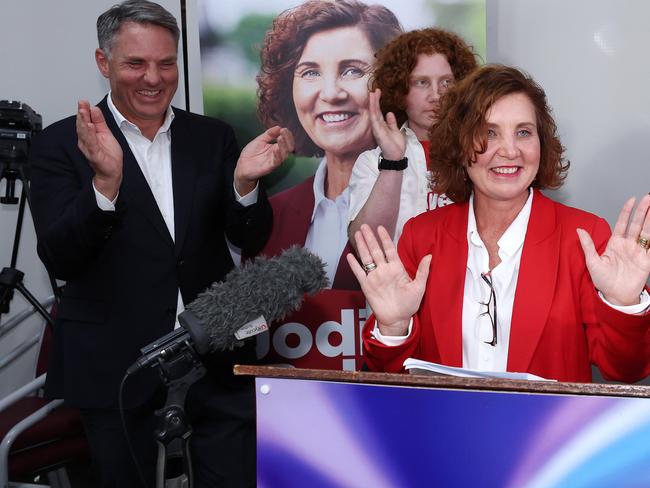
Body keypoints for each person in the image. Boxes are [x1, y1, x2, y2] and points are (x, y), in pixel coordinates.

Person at [28, 1, 293, 487]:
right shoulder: (59, 145)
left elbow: (250, 237)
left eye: (166, 63)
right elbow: (62, 256)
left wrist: (244, 186)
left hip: (215, 356)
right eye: (135, 63)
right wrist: (105, 186)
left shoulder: (213, 138)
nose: (154, 77)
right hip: (116, 369)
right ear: (103, 63)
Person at [348, 65, 650, 383]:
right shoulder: (421, 236)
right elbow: (386, 375)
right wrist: (394, 328)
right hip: (446, 430)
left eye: (523, 132)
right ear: (461, 146)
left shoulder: (584, 237)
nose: (509, 150)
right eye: (489, 132)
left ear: (541, 144)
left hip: (545, 433)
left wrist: (625, 305)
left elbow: (626, 370)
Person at [256, 0, 402, 289]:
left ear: (392, 84)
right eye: (310, 72)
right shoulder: (270, 218)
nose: (331, 93)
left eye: (353, 71)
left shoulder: (425, 207)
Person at [348, 28, 478, 243]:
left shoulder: (481, 152)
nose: (436, 95)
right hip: (400, 276)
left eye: (446, 82)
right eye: (422, 82)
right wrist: (392, 162)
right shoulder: (372, 162)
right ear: (399, 90)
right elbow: (368, 245)